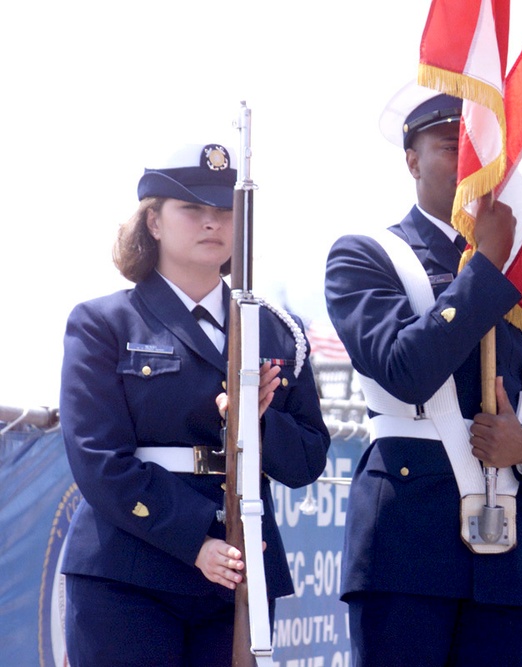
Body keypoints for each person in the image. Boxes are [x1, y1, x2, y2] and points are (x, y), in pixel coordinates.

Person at [324, 82, 522, 666]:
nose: (472, 164)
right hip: (408, 547)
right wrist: (488, 267)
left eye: (483, 150)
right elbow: (405, 370)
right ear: (411, 159)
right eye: (452, 146)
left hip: (513, 558)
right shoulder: (365, 256)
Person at [59, 142, 331, 667]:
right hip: (130, 567)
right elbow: (98, 461)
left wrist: (255, 425)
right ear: (154, 223)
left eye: (225, 212)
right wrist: (195, 542)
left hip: (240, 569)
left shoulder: (275, 328)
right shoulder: (104, 323)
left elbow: (306, 462)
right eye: (193, 209)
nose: (213, 223)